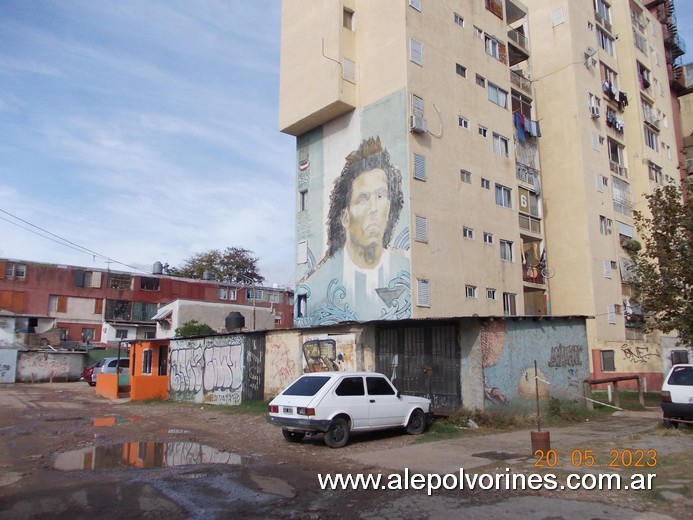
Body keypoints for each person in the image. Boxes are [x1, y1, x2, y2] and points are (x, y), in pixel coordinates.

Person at [297, 136, 410, 325]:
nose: (374, 208)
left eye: (381, 195)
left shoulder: (406, 269)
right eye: (363, 198)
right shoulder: (314, 286)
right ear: (345, 217)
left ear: (390, 206)